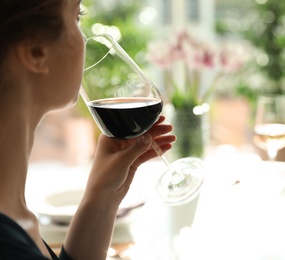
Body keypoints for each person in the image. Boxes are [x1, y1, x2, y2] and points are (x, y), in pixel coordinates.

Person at [0, 0, 176, 259]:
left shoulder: (14, 216)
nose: (84, 38)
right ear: (37, 51)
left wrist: (102, 196)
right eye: (77, 16)